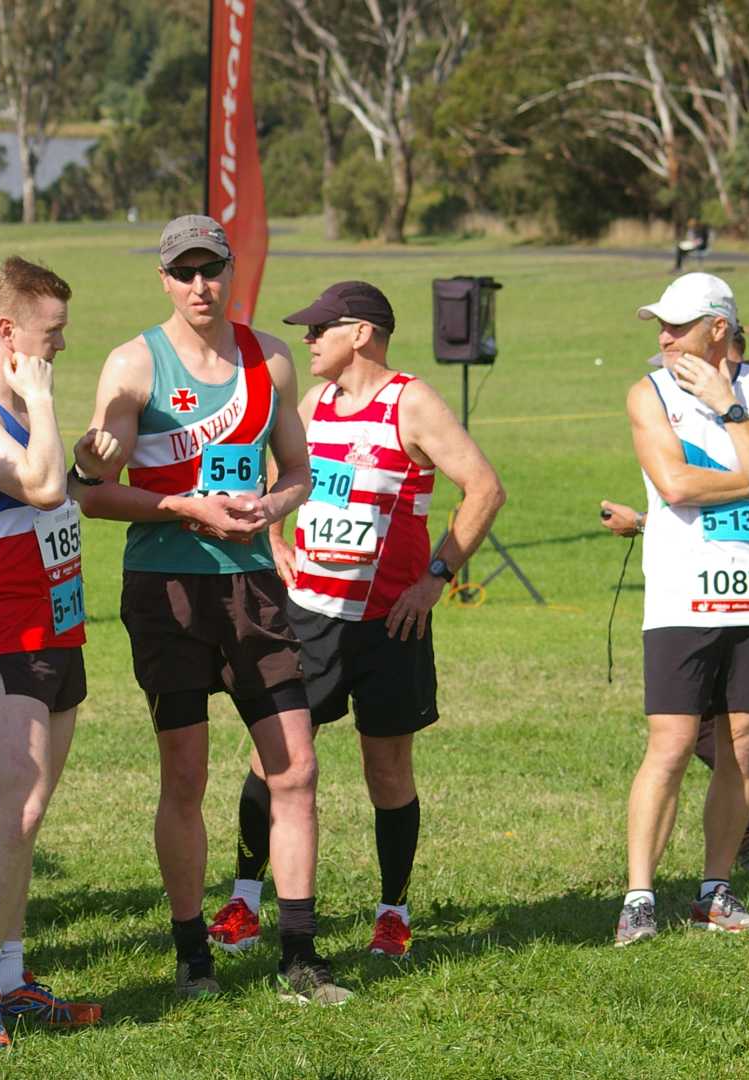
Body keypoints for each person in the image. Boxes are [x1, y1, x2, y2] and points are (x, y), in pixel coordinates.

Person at [73, 216, 346, 1004]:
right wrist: (184, 506)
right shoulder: (134, 363)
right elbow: (96, 488)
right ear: (164, 279)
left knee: (296, 767)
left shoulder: (272, 359)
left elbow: (297, 468)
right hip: (170, 592)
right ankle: (194, 956)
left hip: (254, 589)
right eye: (184, 272)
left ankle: (299, 955)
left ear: (231, 272)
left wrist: (273, 507)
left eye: (212, 270)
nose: (200, 286)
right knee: (185, 775)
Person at [208, 281, 506, 960]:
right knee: (272, 759)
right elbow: (280, 471)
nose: (308, 341)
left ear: (362, 334)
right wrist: (276, 539)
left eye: (321, 330)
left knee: (388, 771)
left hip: (388, 625)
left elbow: (485, 487)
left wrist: (435, 580)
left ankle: (393, 912)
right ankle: (244, 901)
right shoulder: (314, 403)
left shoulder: (413, 403)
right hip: (308, 615)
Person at [0, 256, 116, 1050]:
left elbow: (54, 488)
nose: (60, 347)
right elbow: (37, 489)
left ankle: (10, 979)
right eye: (51, 334)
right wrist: (41, 405)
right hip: (3, 633)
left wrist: (86, 469)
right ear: (8, 332)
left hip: (57, 625)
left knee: (29, 816)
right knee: (19, 808)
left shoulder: (19, 405)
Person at [600, 327, 749, 882]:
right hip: (706, 583)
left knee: (725, 731)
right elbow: (686, 487)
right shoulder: (661, 396)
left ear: (720, 337)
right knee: (725, 731)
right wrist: (645, 519)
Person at [615, 272, 749, 947]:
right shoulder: (649, 393)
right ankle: (639, 898)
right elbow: (675, 483)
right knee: (668, 745)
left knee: (743, 745)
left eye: (677, 325)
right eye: (660, 325)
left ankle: (713, 892)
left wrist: (730, 411)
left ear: (717, 329)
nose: (663, 336)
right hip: (680, 595)